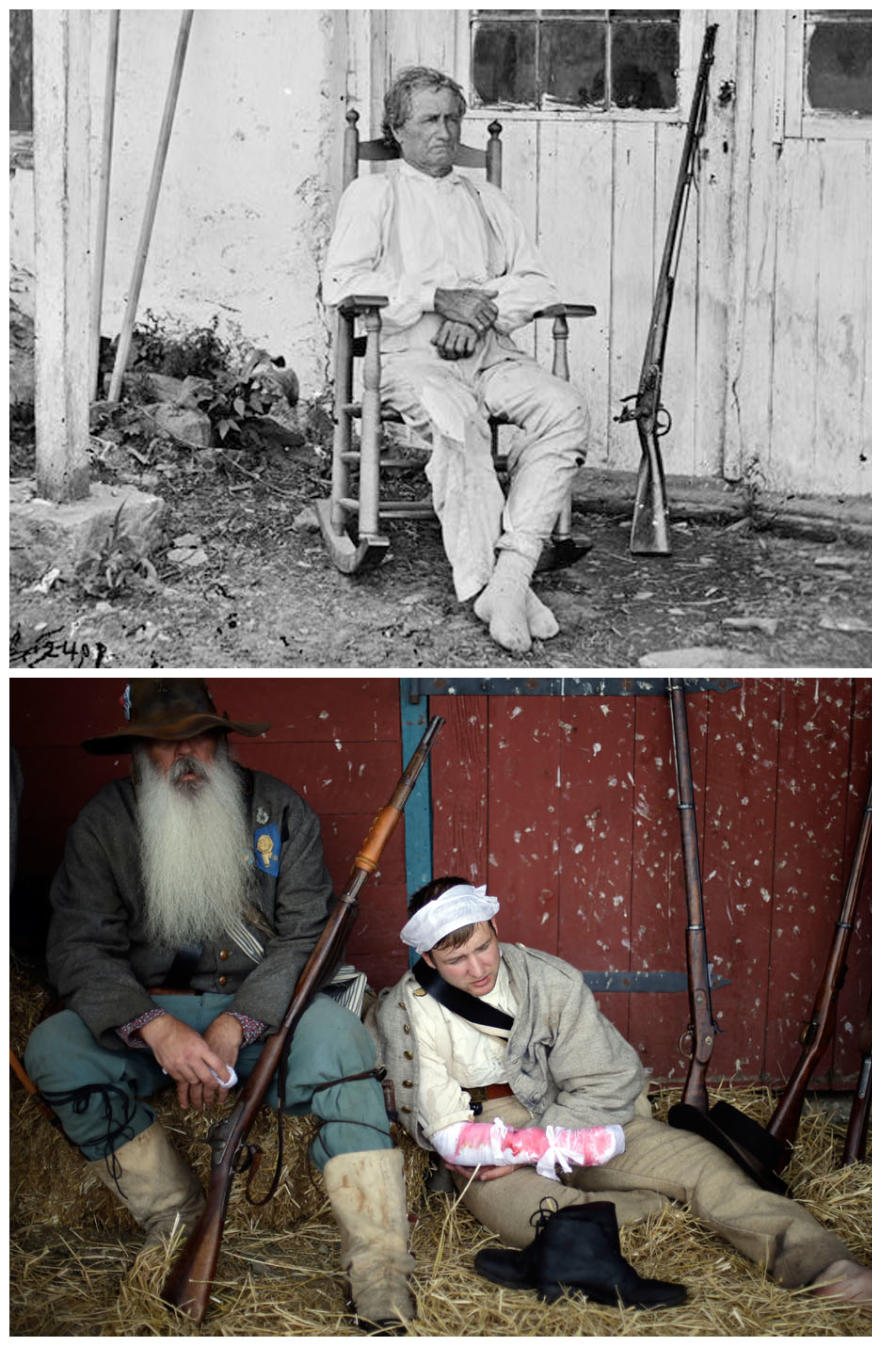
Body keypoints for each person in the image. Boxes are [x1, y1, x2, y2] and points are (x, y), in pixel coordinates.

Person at [24, 679, 414, 1329]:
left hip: (266, 1015)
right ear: (136, 752)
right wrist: (156, 1029)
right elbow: (78, 950)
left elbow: (301, 939)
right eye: (161, 744)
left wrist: (239, 1022)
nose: (183, 757)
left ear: (223, 739)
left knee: (344, 1043)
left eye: (196, 738)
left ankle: (379, 1267)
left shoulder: (281, 811)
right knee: (54, 1050)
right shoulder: (104, 825)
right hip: (152, 1019)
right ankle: (174, 1219)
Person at [367, 877, 872, 1317]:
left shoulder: (549, 980)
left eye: (483, 948)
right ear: (428, 961)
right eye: (456, 961)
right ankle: (660, 1212)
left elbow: (607, 1079)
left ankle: (834, 1272)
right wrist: (500, 1150)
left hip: (587, 1114)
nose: (477, 968)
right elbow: (437, 1120)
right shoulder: (406, 1011)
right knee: (544, 1223)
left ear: (493, 926)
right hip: (488, 1134)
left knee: (710, 1170)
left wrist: (545, 1142)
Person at [321, 66, 589, 656]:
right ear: (397, 129)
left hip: (490, 352)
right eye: (430, 120)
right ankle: (487, 585)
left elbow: (537, 281)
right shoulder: (375, 194)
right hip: (412, 359)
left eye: (453, 119)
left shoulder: (486, 199)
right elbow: (340, 284)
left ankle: (510, 576)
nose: (445, 132)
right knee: (456, 420)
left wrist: (478, 315)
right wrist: (439, 301)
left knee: (564, 408)